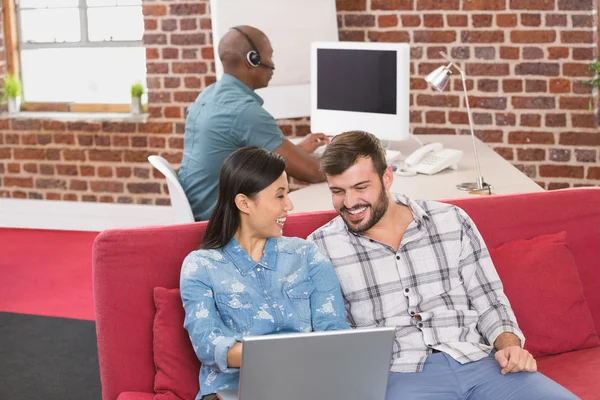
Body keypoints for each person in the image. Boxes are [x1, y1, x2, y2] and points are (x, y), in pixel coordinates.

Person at [307, 131, 578, 400]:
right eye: (338, 191)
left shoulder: (450, 219)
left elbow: (490, 299)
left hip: (480, 361)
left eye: (360, 187)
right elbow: (333, 338)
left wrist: (510, 346)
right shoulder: (321, 247)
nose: (350, 202)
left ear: (387, 177)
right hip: (400, 375)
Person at [180, 146, 349, 400]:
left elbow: (335, 330)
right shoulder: (201, 265)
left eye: (288, 194)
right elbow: (208, 345)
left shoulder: (307, 255)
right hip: (233, 390)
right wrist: (284, 355)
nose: (289, 205)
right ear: (244, 203)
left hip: (305, 385)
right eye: (279, 196)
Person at [179, 25, 328, 221]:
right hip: (220, 223)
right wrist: (360, 163)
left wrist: (298, 150)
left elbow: (229, 155)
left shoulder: (208, 95)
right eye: (270, 56)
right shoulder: (244, 111)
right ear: (253, 60)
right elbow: (312, 173)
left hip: (200, 211)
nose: (272, 64)